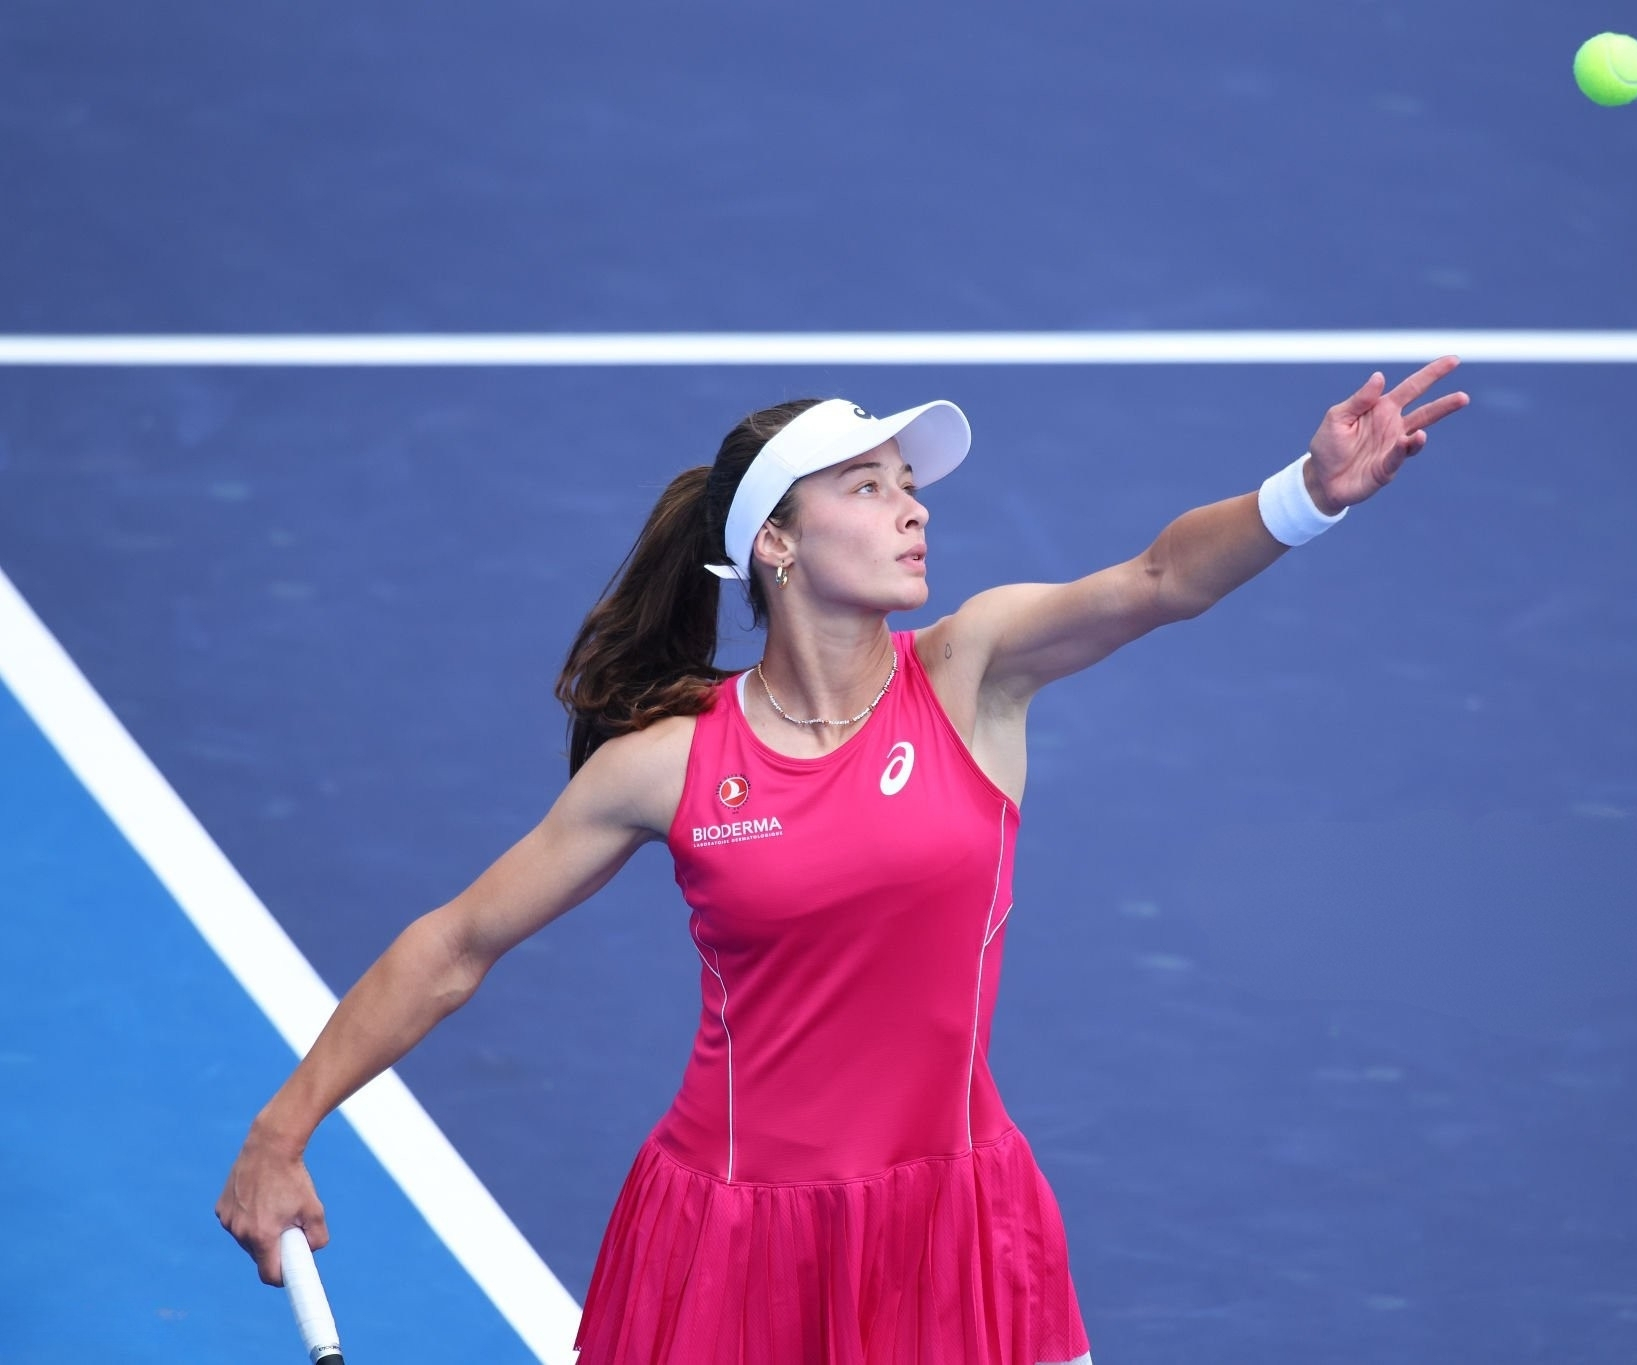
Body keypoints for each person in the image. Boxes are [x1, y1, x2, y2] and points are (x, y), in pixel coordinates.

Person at [215, 358, 1471, 1363]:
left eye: (908, 485)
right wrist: (283, 1129)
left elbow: (1157, 578)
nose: (912, 506)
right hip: (729, 1239)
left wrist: (1305, 493)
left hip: (955, 1226)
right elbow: (455, 944)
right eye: (866, 487)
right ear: (776, 542)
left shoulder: (972, 671)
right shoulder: (666, 765)